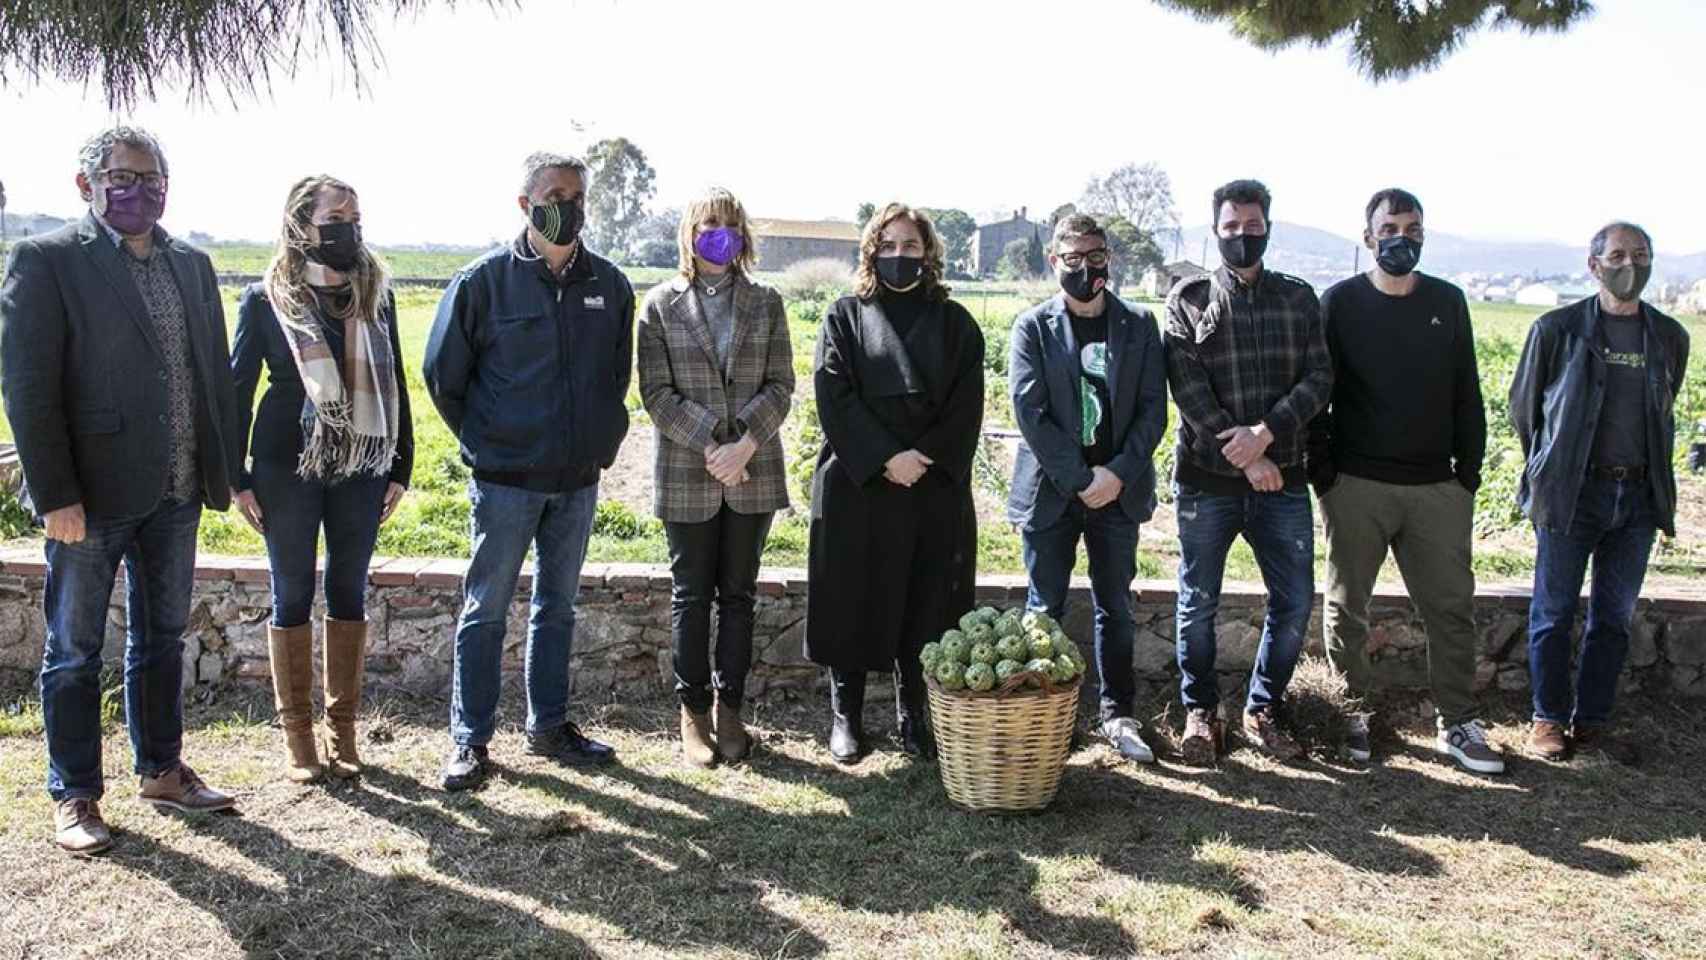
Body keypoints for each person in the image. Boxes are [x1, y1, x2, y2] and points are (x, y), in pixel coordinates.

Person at [0, 126, 240, 854]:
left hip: (175, 488)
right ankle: (74, 794)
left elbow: (213, 373)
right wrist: (55, 494)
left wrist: (224, 472)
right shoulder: (46, 261)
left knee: (161, 638)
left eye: (154, 177)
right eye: (124, 177)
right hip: (90, 497)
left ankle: (162, 768)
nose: (142, 189)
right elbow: (28, 387)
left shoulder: (193, 265)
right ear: (87, 185)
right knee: (73, 650)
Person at [423, 152, 635, 790]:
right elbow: (442, 378)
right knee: (486, 608)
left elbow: (613, 379)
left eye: (576, 196)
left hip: (576, 480)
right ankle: (471, 742)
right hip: (506, 482)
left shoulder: (611, 285)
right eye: (553, 195)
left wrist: (600, 442)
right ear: (525, 204)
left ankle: (548, 727)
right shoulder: (483, 282)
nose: (566, 205)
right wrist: (491, 445)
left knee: (558, 606)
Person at [1308, 188, 1502, 773]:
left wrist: (1465, 475)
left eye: (1412, 228)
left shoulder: (1448, 301)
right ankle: (1352, 714)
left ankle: (1458, 722)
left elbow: (1467, 391)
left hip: (1436, 489)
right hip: (1357, 484)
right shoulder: (1339, 302)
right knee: (1347, 610)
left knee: (1450, 609)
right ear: (1368, 238)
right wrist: (1325, 475)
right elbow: (1319, 392)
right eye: (1389, 228)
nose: (1402, 238)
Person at [230, 176, 414, 783]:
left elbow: (398, 386)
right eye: (336, 215)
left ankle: (344, 730)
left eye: (355, 215)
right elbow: (237, 390)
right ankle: (299, 736)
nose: (349, 227)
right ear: (301, 225)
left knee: (349, 588)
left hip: (363, 462)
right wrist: (236, 477)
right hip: (286, 465)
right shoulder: (266, 300)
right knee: (291, 593)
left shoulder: (374, 294)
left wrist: (401, 466)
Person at [805, 203, 985, 763]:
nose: (899, 256)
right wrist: (886, 457)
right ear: (870, 252)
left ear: (928, 252)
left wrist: (921, 458)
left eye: (910, 246)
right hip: (859, 486)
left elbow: (966, 405)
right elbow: (834, 394)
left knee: (926, 601)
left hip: (931, 487)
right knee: (850, 597)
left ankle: (915, 716)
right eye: (888, 246)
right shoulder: (845, 316)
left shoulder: (956, 323)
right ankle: (847, 716)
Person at [1164, 179, 1332, 766]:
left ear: (1268, 226)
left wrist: (1266, 435)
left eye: (1252, 225)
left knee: (1294, 600)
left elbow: (1319, 379)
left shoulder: (1298, 298)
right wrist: (1246, 452)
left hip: (1281, 481)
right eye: (1231, 227)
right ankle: (1200, 710)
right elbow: (1188, 387)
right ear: (1216, 231)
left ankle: (1264, 708)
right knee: (1197, 602)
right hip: (1208, 481)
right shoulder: (1187, 299)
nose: (1242, 235)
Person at [1509, 221, 1688, 764]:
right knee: (1554, 610)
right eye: (1617, 254)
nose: (1628, 264)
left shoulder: (1668, 337)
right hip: (1572, 492)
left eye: (1640, 254)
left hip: (1635, 497)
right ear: (1594, 265)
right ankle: (1547, 718)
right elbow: (1525, 411)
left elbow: (1664, 409)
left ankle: (1592, 721)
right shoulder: (1557, 329)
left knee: (1613, 615)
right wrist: (1549, 469)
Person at [637, 187, 793, 767]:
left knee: (738, 596)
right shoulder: (659, 305)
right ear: (689, 233)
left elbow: (782, 384)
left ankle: (733, 713)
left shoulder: (767, 302)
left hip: (753, 471)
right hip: (688, 471)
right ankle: (693, 716)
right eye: (708, 224)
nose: (718, 233)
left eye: (729, 224)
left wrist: (746, 441)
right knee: (692, 597)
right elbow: (655, 392)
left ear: (742, 235)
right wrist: (713, 442)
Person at [1008, 213, 1167, 764]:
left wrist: (1115, 474)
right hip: (1054, 492)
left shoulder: (1141, 325)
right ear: (1054, 262)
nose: (1084, 268)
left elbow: (1153, 411)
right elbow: (1029, 411)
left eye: (1093, 257)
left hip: (1119, 493)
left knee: (1115, 606)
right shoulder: (1032, 327)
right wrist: (1080, 479)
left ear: (1108, 259)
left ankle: (1117, 714)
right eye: (1071, 259)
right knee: (1043, 605)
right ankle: (1036, 713)